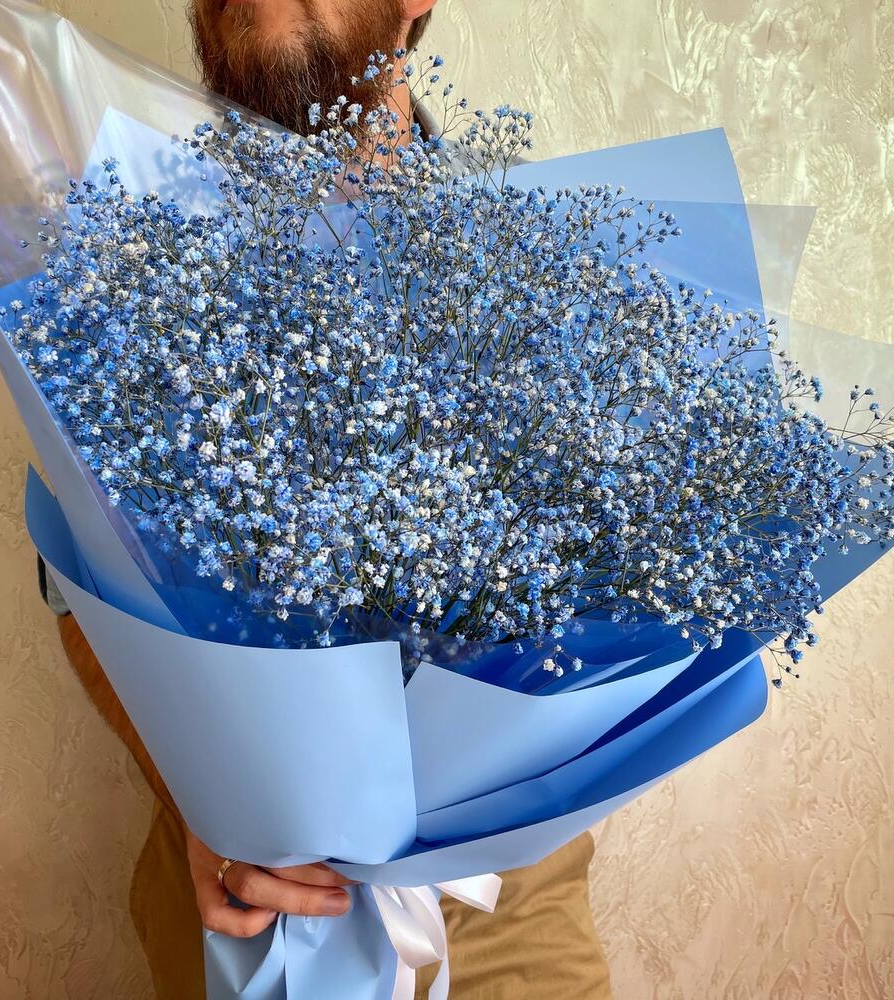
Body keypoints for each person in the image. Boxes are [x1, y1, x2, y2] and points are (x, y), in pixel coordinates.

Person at [44, 1, 614, 996]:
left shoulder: (552, 261)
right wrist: (202, 804)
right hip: (233, 902)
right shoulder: (128, 259)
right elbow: (77, 593)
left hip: (504, 916)